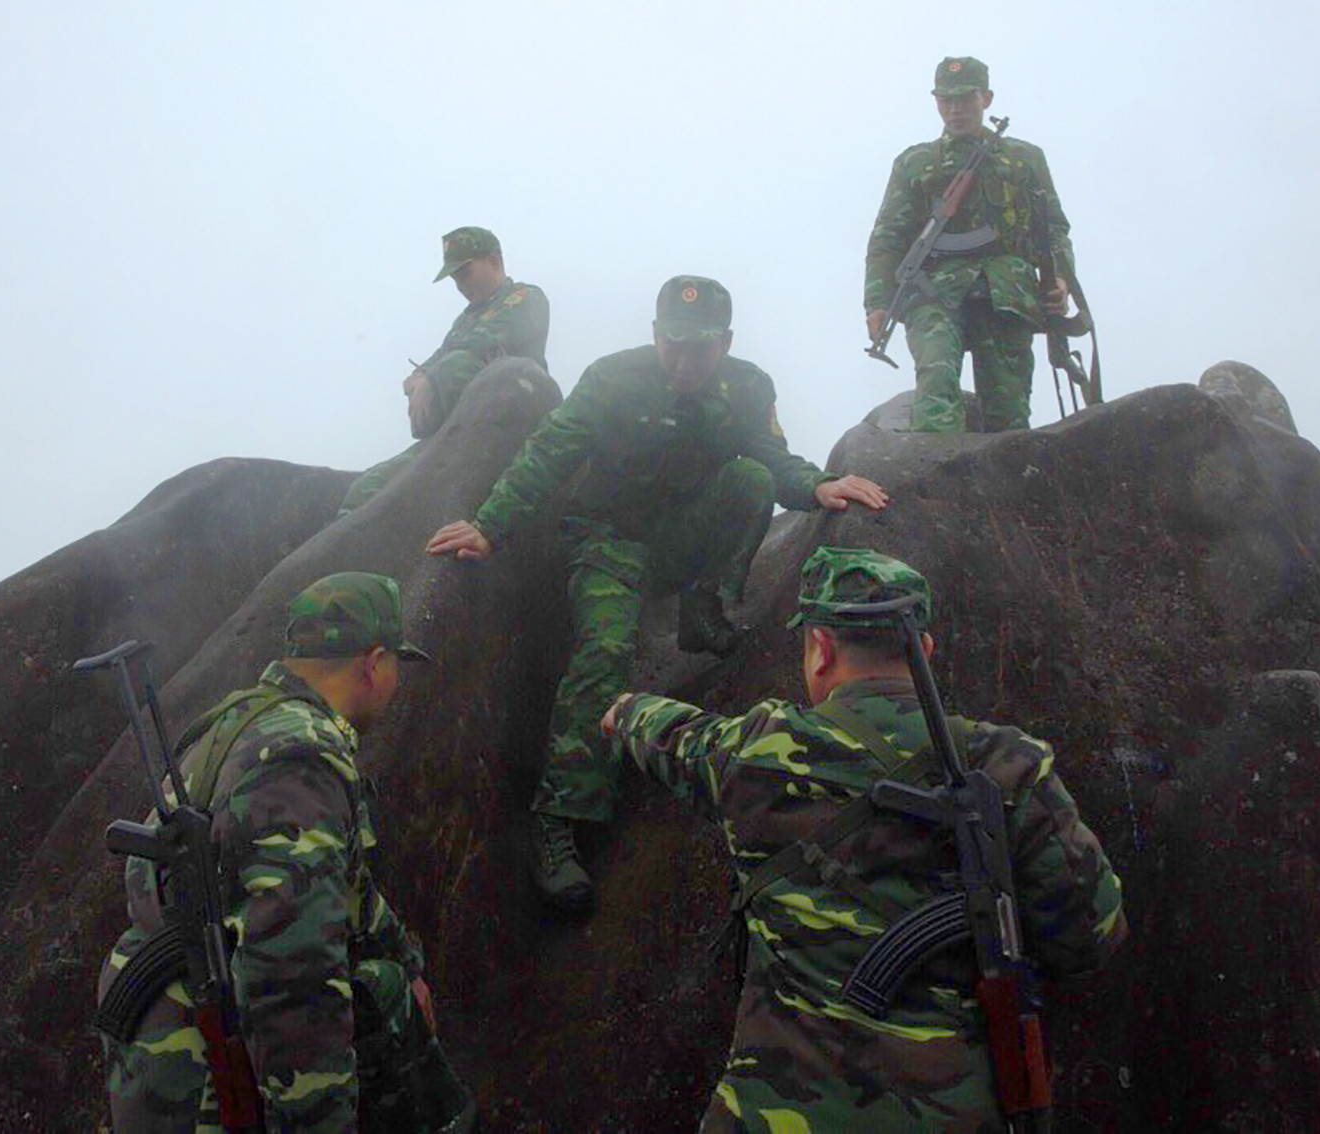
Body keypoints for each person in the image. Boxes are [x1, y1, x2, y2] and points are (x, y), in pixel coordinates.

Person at [602, 546, 1128, 1130]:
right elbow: (1091, 937)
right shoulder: (1009, 766)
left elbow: (676, 735)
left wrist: (624, 709)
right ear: (925, 648)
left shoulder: (757, 750)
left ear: (820, 647)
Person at [425, 277, 890, 912]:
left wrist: (817, 485)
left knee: (751, 481)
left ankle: (704, 606)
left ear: (725, 343)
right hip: (607, 539)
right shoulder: (612, 379)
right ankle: (561, 818)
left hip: (680, 538)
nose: (684, 360)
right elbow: (550, 450)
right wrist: (489, 525)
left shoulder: (747, 388)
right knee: (605, 650)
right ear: (653, 334)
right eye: (673, 343)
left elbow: (769, 456)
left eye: (699, 347)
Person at [96, 572, 473, 1132]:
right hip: (202, 1065)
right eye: (396, 663)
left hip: (155, 1028)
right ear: (373, 664)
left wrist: (409, 964)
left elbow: (347, 887)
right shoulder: (302, 758)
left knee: (389, 984)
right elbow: (294, 982)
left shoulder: (240, 721)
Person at [865, 56, 1075, 434]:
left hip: (1008, 292)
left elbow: (1054, 228)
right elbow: (888, 237)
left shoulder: (1024, 158)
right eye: (946, 100)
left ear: (986, 98)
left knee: (1008, 413)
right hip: (933, 291)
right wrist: (877, 302)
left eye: (965, 98)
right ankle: (936, 471)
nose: (955, 109)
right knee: (936, 394)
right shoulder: (915, 163)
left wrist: (1060, 280)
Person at [338, 225, 551, 516]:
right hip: (454, 432)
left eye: (465, 273)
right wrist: (420, 379)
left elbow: (479, 345)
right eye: (454, 278)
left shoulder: (525, 297)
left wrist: (430, 377)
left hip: (510, 424)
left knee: (456, 365)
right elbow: (433, 362)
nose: (459, 285)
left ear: (493, 262)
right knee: (368, 487)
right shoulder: (464, 321)